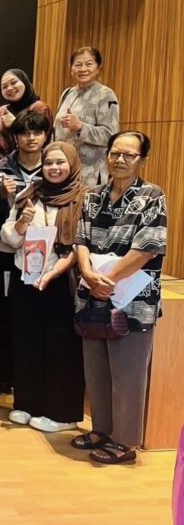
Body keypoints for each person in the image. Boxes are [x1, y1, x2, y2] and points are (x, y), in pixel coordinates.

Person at [73, 131, 166, 465]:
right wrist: (87, 274)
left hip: (132, 299)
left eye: (129, 155)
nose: (120, 160)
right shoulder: (93, 195)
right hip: (93, 297)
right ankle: (102, 429)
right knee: (97, 370)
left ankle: (125, 442)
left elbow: (147, 248)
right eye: (115, 153)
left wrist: (108, 279)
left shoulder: (152, 196)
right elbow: (81, 240)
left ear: (142, 159)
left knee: (127, 373)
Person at [0, 142, 86, 433]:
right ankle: (28, 403)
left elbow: (82, 243)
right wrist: (22, 223)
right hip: (27, 276)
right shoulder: (30, 193)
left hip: (63, 279)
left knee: (62, 346)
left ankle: (63, 414)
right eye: (49, 163)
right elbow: (10, 237)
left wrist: (53, 272)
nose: (54, 168)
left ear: (72, 164)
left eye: (60, 162)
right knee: (27, 341)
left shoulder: (84, 197)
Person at [0, 110, 50, 396]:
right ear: (15, 137)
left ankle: (29, 381)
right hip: (5, 252)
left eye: (37, 132)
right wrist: (0, 196)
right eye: (24, 133)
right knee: (1, 313)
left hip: (43, 256)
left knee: (34, 317)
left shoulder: (53, 167)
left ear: (46, 136)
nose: (31, 138)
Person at [54, 46, 120, 187]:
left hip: (90, 173)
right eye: (78, 65)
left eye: (89, 64)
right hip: (62, 170)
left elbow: (110, 136)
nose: (83, 69)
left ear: (99, 68)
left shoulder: (105, 94)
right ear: (71, 69)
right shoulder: (67, 93)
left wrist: (80, 127)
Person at [0, 68, 51, 158]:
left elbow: (41, 140)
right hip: (5, 163)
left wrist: (15, 124)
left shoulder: (40, 108)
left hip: (33, 161)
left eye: (14, 82)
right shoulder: (2, 111)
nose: (9, 88)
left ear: (24, 82)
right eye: (4, 86)